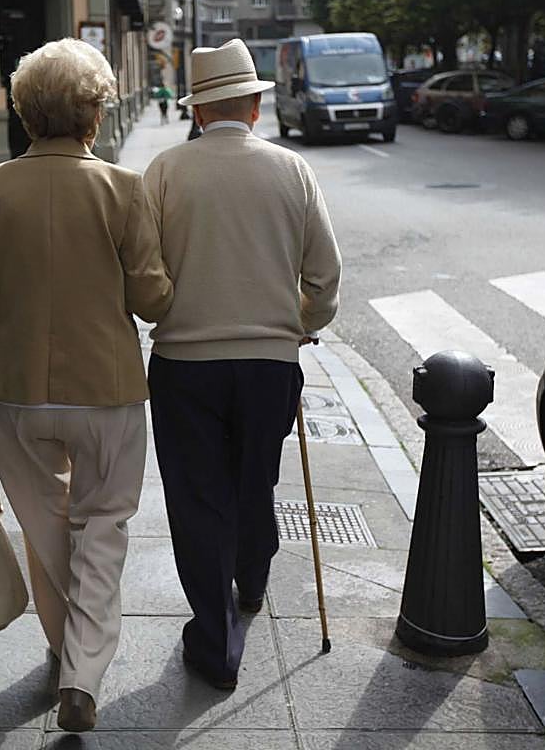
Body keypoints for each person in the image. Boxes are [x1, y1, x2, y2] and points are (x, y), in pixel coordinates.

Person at [0, 38, 174, 732]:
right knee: (103, 524)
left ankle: (61, 645)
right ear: (95, 115)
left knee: (46, 524)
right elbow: (152, 300)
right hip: (105, 388)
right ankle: (82, 671)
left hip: (14, 389)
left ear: (25, 115)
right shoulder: (123, 188)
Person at [142, 38, 342, 690]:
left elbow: (143, 277)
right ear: (255, 105)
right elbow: (325, 278)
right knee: (255, 478)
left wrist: (174, 310)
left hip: (185, 363)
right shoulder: (293, 170)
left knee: (199, 500)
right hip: (269, 364)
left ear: (198, 110)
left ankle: (217, 641)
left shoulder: (165, 171)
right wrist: (297, 325)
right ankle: (252, 579)